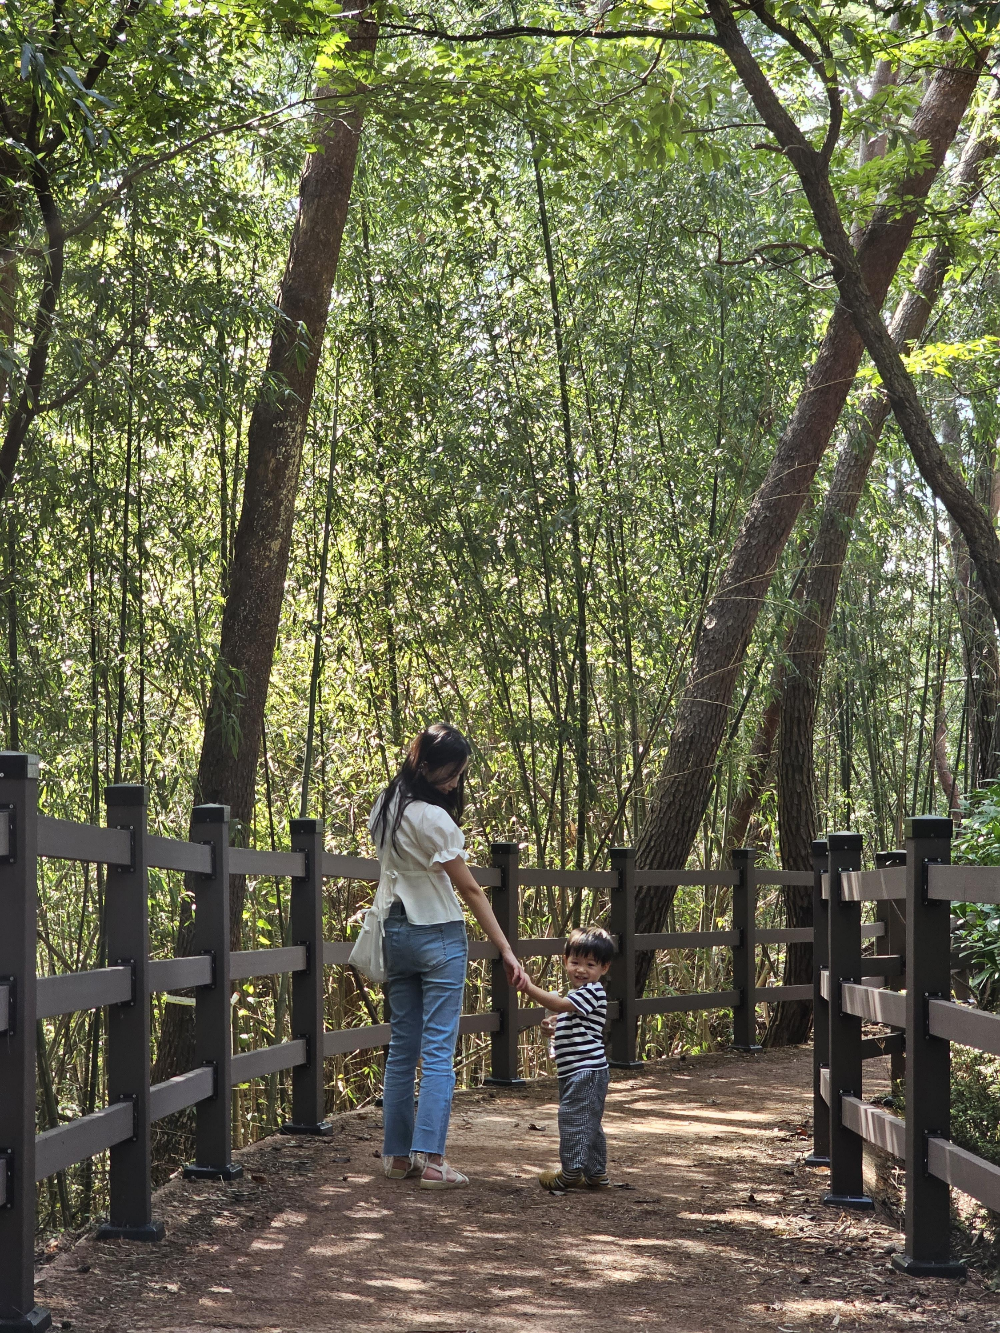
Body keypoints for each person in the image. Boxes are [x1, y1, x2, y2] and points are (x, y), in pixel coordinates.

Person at [371, 721, 528, 1189]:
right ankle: (434, 1162)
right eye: (451, 774)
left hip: (395, 929)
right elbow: (471, 889)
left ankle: (398, 1158)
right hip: (438, 932)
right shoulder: (434, 819)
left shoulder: (385, 807)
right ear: (428, 767)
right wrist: (505, 947)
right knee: (439, 1049)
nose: (455, 782)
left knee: (402, 1048)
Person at [518, 926, 615, 1193]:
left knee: (573, 1120)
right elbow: (564, 1018)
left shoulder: (592, 991)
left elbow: (560, 1005)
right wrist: (550, 1027)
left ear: (604, 968)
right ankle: (596, 1173)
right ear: (565, 962)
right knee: (589, 1122)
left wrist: (527, 987)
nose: (581, 969)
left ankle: (570, 1172)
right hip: (577, 1071)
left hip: (586, 1070)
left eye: (590, 964)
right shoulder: (579, 995)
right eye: (575, 962)